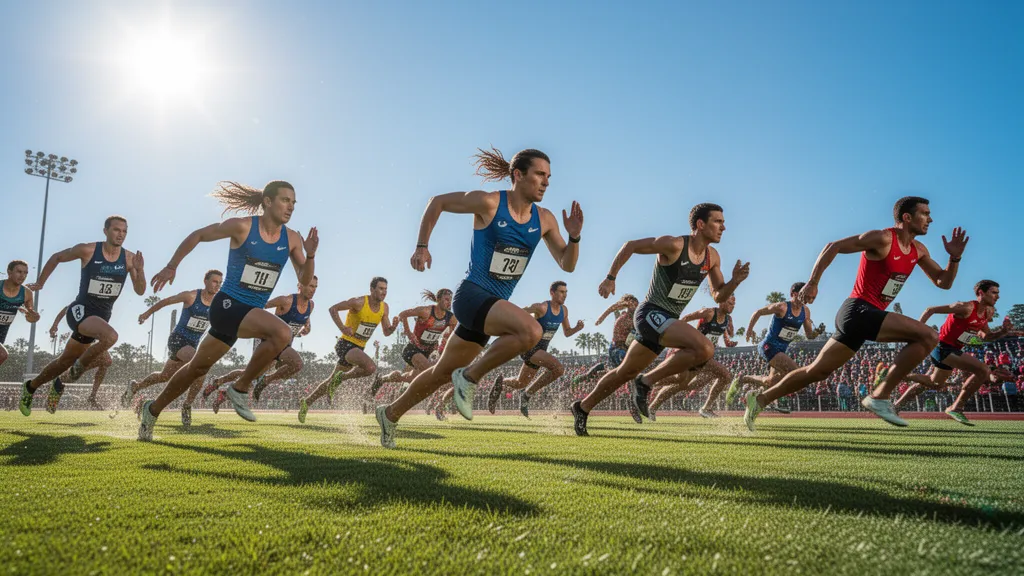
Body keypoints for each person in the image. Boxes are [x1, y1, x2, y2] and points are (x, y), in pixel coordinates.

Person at [376, 147, 583, 448]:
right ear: (518, 175)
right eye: (540, 174)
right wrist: (422, 245)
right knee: (531, 331)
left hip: (490, 309)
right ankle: (470, 378)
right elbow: (438, 202)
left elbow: (568, 264)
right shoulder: (489, 203)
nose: (546, 182)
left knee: (441, 373)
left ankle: (390, 414)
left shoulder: (546, 219)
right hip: (472, 296)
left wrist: (574, 236)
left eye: (549, 176)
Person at [744, 197, 968, 431]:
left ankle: (760, 399)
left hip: (865, 318)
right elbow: (834, 246)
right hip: (857, 311)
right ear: (907, 217)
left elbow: (943, 282)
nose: (930, 219)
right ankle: (880, 396)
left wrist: (954, 258)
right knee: (929, 336)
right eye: (925, 213)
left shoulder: (919, 251)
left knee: (816, 371)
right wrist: (813, 282)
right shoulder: (882, 238)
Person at [138, 181, 317, 440]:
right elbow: (198, 235)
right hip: (226, 306)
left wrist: (310, 257)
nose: (290, 207)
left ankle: (151, 410)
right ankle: (240, 388)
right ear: (267, 201)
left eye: (293, 202)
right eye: (285, 200)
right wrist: (171, 265)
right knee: (281, 332)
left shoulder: (291, 239)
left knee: (196, 370)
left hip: (247, 314)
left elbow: (304, 275)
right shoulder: (243, 226)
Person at [572, 203, 749, 436]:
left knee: (623, 372)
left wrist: (735, 282)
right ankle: (646, 382)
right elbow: (631, 246)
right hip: (650, 314)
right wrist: (610, 278)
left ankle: (582, 407)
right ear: (700, 224)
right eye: (718, 221)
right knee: (704, 348)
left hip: (666, 321)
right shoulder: (674, 244)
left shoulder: (712, 257)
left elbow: (718, 295)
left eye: (723, 222)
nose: (723, 227)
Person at [19, 216, 146, 416]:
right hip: (80, 311)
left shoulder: (130, 259)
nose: (120, 234)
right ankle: (78, 367)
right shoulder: (88, 250)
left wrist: (140, 271)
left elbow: (140, 291)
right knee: (111, 337)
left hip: (100, 320)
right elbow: (57, 257)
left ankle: (31, 387)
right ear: (105, 231)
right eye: (116, 230)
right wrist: (41, 282)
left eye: (124, 231)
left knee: (64, 361)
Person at [892, 280, 1018, 425]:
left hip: (954, 350)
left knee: (935, 383)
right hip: (941, 347)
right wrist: (917, 332)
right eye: (994, 292)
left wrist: (1003, 332)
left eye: (998, 293)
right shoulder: (965, 307)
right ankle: (956, 407)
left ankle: (898, 387)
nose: (998, 296)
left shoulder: (988, 312)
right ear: (981, 293)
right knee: (982, 370)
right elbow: (930, 310)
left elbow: (986, 336)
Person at [122, 270, 222, 424]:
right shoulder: (191, 296)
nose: (217, 285)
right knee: (201, 366)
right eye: (215, 281)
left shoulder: (218, 303)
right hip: (178, 339)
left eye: (220, 283)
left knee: (164, 376)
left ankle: (136, 386)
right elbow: (166, 301)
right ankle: (187, 406)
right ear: (206, 281)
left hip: (193, 345)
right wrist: (147, 313)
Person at [208, 276, 317, 411]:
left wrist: (307, 327)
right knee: (296, 364)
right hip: (269, 340)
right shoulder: (286, 300)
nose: (313, 290)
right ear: (300, 285)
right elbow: (260, 306)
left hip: (285, 345)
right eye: (310, 286)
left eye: (315, 287)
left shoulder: (311, 305)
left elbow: (306, 320)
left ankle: (220, 385)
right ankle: (265, 381)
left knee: (252, 374)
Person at [297, 277, 398, 423]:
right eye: (381, 288)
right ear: (372, 289)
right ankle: (341, 378)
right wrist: (342, 328)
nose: (384, 292)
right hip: (346, 344)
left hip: (359, 347)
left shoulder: (384, 308)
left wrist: (393, 328)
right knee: (370, 368)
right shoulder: (359, 302)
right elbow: (333, 309)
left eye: (386, 289)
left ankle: (307, 402)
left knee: (330, 381)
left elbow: (386, 332)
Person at [487, 280, 585, 417]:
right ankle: (527, 395)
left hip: (541, 350)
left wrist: (576, 329)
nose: (565, 295)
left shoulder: (564, 311)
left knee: (520, 382)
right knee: (558, 369)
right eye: (561, 292)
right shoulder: (542, 308)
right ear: (552, 293)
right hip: (530, 347)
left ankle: (501, 383)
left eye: (566, 292)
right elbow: (519, 311)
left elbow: (567, 332)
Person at [726, 282, 824, 408]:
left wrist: (817, 332)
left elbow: (809, 335)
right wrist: (749, 330)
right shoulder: (782, 307)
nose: (807, 299)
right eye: (804, 294)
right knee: (796, 371)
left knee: (770, 381)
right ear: (793, 294)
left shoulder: (805, 311)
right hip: (768, 346)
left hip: (781, 350)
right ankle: (762, 400)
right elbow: (758, 312)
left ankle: (743, 379)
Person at [646, 295, 739, 420]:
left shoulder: (728, 319)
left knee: (681, 383)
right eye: (729, 303)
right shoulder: (709, 312)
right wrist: (679, 337)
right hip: (693, 352)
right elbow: (685, 318)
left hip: (704, 356)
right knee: (725, 375)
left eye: (733, 305)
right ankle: (648, 382)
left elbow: (726, 336)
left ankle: (650, 395)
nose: (732, 307)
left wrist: (730, 337)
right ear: (721, 302)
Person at [570, 294, 643, 423]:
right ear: (628, 303)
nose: (635, 306)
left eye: (636, 304)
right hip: (617, 349)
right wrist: (601, 318)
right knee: (630, 373)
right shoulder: (625, 311)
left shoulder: (636, 318)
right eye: (633, 303)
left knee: (615, 374)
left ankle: (593, 372)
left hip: (623, 350)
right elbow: (612, 308)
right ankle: (632, 404)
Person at [376, 288, 457, 392]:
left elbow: (451, 336)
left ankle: (382, 379)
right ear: (438, 300)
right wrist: (408, 332)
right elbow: (403, 314)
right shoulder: (426, 311)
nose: (449, 303)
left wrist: (442, 347)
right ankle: (435, 400)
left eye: (450, 300)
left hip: (427, 352)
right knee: (430, 371)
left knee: (410, 378)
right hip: (413, 349)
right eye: (446, 299)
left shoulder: (451, 318)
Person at [43, 305, 113, 410]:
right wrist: (54, 325)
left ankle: (92, 396)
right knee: (75, 374)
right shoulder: (84, 301)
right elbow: (65, 309)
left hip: (92, 341)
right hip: (80, 341)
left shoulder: (102, 305)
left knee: (106, 361)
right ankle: (59, 382)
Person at [0, 260, 40, 370]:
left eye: (25, 273)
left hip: (2, 333)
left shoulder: (27, 293)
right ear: (9, 272)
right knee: (2, 354)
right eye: (19, 272)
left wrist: (34, 317)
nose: (22, 276)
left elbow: (29, 315)